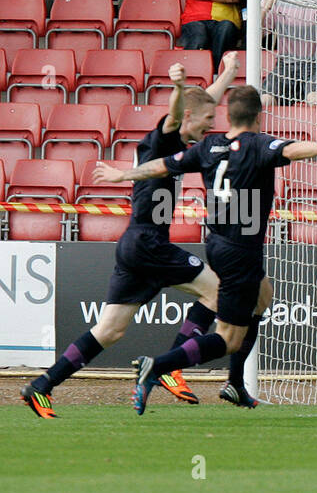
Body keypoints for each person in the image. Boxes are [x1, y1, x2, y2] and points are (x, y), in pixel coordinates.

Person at [93, 86, 317, 413]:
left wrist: (123, 174)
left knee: (263, 296)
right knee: (228, 339)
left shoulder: (209, 145)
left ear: (228, 115)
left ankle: (235, 384)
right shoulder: (257, 144)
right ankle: (160, 366)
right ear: (259, 116)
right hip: (241, 249)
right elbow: (292, 150)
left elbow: (162, 165)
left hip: (219, 242)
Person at [20, 56, 241, 419]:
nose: (210, 128)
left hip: (135, 246)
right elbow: (178, 114)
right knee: (219, 291)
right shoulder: (163, 140)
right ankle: (170, 368)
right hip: (149, 243)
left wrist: (228, 74)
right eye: (206, 123)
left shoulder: (184, 132)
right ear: (187, 118)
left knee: (109, 331)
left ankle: (41, 386)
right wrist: (177, 88)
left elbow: (201, 104)